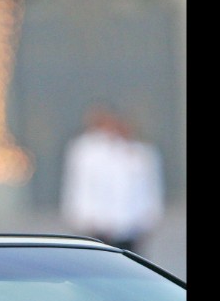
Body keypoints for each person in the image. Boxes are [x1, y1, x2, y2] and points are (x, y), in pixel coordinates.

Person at [60, 104, 165, 253]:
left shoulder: (140, 152)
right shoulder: (86, 150)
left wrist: (149, 218)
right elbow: (80, 186)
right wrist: (83, 217)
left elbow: (150, 188)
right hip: (98, 224)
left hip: (130, 224)